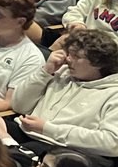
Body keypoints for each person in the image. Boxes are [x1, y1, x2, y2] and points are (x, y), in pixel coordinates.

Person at [10, 28, 118, 159]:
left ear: (98, 63)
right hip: (26, 133)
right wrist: (45, 72)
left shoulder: (113, 94)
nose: (68, 59)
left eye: (76, 56)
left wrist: (47, 128)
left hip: (62, 150)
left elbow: (111, 143)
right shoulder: (61, 72)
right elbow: (19, 106)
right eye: (69, 54)